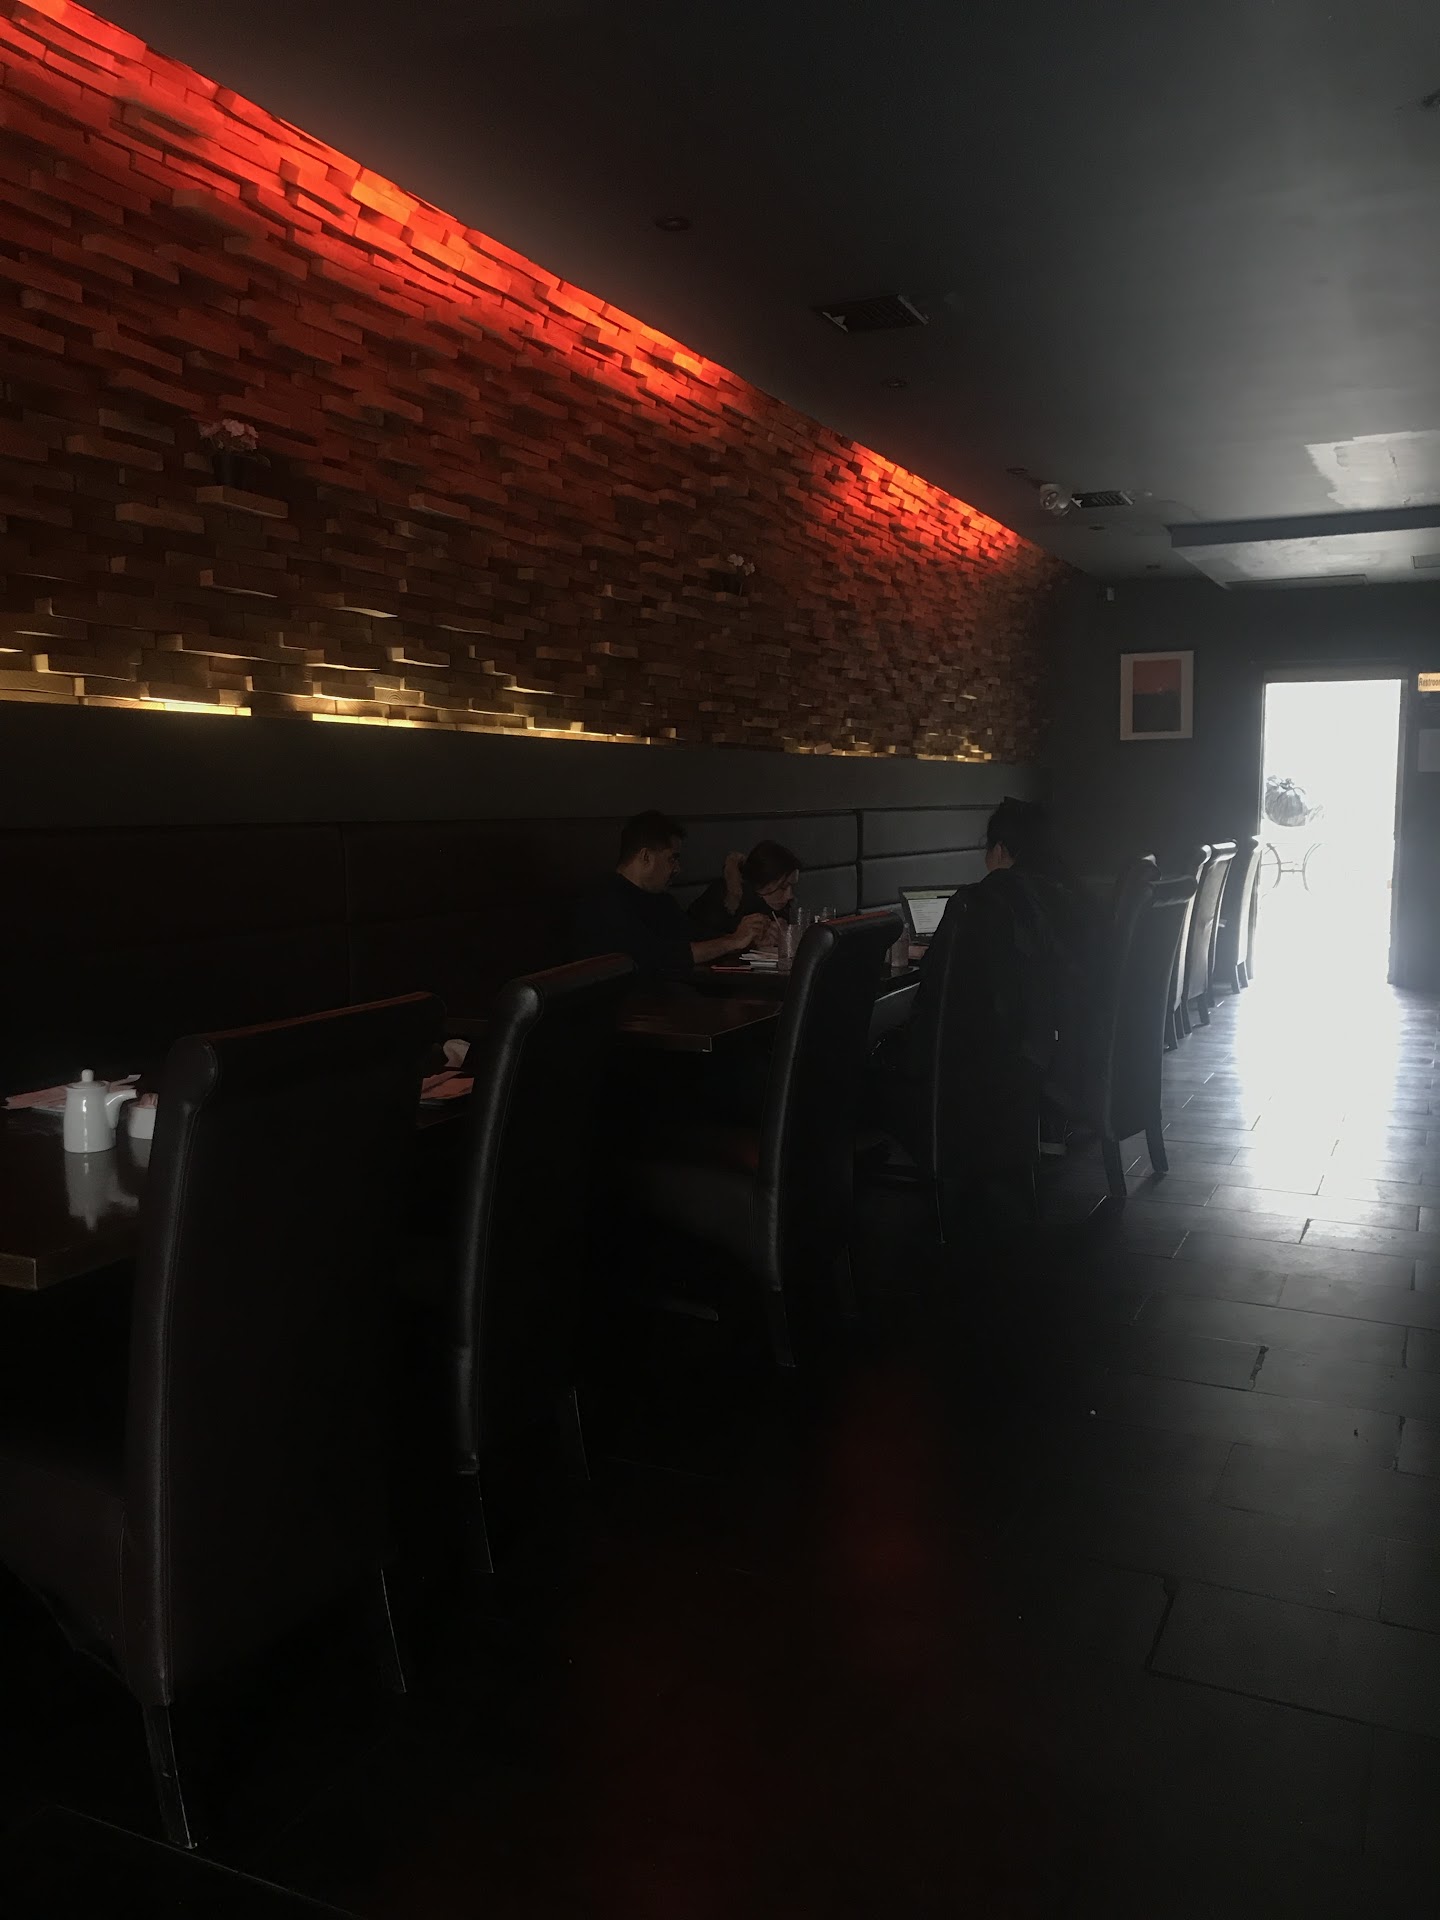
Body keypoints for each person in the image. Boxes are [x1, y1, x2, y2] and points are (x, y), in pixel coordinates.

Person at [573, 810, 769, 982]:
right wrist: (731, 942)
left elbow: (697, 937)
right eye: (672, 859)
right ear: (646, 857)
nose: (678, 868)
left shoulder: (661, 900)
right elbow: (656, 956)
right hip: (624, 1003)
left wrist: (749, 939)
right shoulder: (605, 898)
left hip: (667, 994)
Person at [687, 840, 801, 945]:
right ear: (762, 881)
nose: (790, 895)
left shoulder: (781, 908)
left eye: (793, 886)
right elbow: (695, 947)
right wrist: (745, 940)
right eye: (783, 887)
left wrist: (785, 937)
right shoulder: (722, 897)